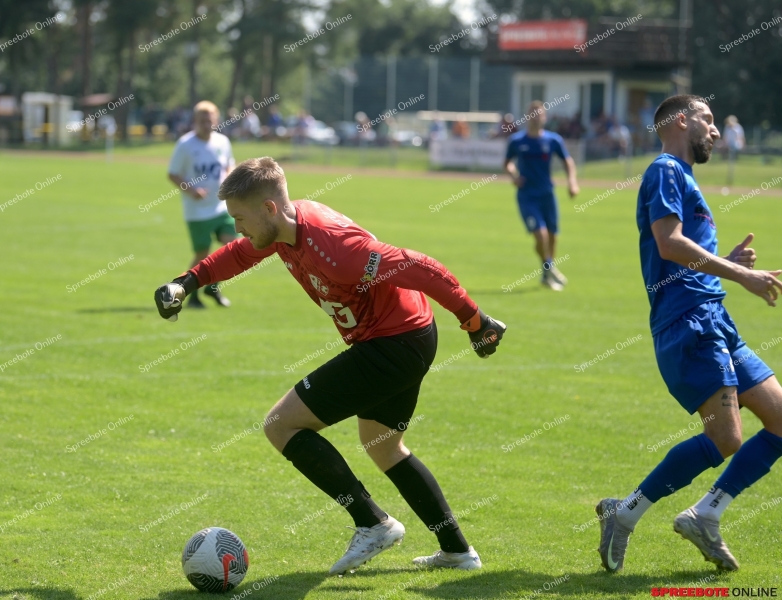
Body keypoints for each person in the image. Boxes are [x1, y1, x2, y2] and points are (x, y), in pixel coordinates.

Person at [154, 157, 507, 575]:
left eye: (240, 218)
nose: (237, 228)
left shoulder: (335, 246)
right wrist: (187, 282)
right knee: (384, 446)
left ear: (269, 208)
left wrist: (474, 321)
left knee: (281, 425)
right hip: (404, 336)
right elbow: (240, 254)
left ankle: (373, 523)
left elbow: (419, 267)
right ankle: (457, 552)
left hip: (392, 343)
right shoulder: (281, 229)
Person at [597, 95, 782, 572]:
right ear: (681, 121)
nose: (716, 131)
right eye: (708, 119)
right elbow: (669, 243)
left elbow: (688, 256)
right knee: (726, 439)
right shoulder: (665, 170)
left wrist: (728, 266)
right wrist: (741, 277)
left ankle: (706, 513)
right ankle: (625, 512)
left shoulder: (684, 175)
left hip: (714, 317)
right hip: (689, 323)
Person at [503, 101, 579, 291]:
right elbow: (507, 162)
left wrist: (572, 182)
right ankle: (549, 267)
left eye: (540, 114)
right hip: (527, 196)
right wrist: (513, 176)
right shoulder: (517, 141)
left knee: (553, 236)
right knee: (541, 235)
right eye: (532, 113)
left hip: (547, 195)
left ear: (545, 118)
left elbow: (567, 161)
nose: (536, 117)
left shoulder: (553, 140)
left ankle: (547, 272)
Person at [167, 100, 236, 309]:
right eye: (202, 121)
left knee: (232, 247)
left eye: (210, 120)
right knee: (202, 254)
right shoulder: (186, 144)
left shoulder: (222, 142)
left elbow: (230, 164)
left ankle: (212, 287)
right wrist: (191, 189)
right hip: (197, 211)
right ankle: (189, 294)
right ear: (195, 121)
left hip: (221, 207)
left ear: (216, 120)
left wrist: (228, 176)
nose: (207, 124)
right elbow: (173, 173)